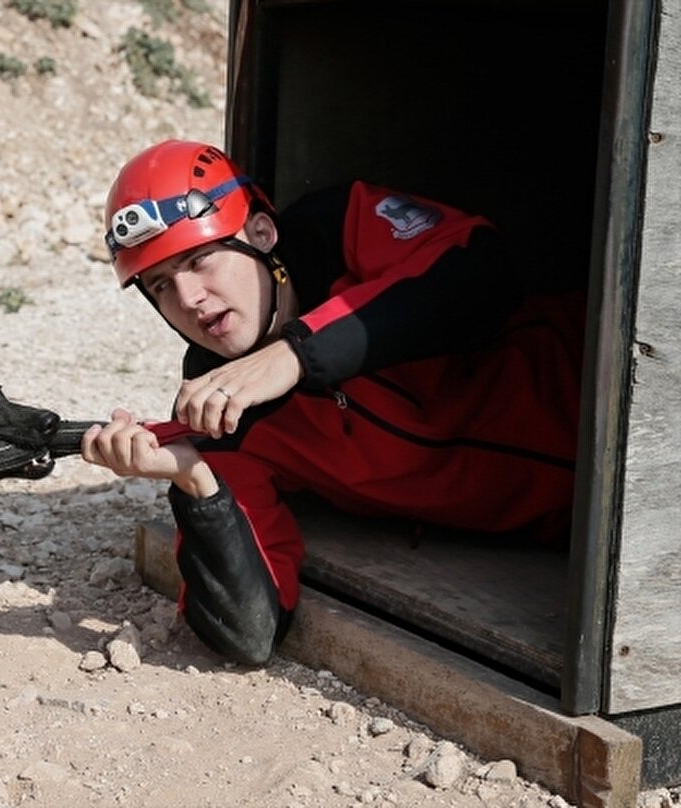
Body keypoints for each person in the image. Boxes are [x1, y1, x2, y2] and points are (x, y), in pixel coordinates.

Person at [80, 140, 583, 665]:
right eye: (160, 284)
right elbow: (249, 633)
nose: (188, 299)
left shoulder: (340, 226)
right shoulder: (218, 408)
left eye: (201, 259)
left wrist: (296, 354)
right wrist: (195, 481)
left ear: (260, 233)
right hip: (573, 530)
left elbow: (481, 272)